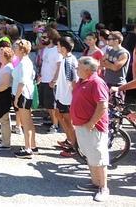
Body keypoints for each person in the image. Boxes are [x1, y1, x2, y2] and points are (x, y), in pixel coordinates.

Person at [71, 56, 110, 202]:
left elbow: (102, 105)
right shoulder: (83, 81)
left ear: (87, 69)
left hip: (93, 127)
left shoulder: (96, 82)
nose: (76, 69)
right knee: (91, 155)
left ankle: (103, 187)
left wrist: (92, 123)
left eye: (78, 67)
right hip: (83, 125)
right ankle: (95, 183)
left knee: (99, 158)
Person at [53, 36, 79, 157]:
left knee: (69, 123)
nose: (57, 47)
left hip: (68, 98)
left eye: (58, 46)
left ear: (63, 48)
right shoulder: (64, 59)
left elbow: (73, 81)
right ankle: (69, 139)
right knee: (58, 115)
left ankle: (74, 147)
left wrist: (75, 99)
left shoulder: (69, 61)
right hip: (61, 95)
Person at [12, 39, 37, 159]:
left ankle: (28, 149)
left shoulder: (23, 63)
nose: (13, 48)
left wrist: (16, 98)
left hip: (23, 95)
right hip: (26, 94)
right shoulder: (25, 61)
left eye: (16, 47)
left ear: (22, 50)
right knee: (28, 121)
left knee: (25, 123)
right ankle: (33, 146)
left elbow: (22, 82)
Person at [38, 28, 62, 134]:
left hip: (52, 81)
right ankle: (52, 121)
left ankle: (55, 125)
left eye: (44, 37)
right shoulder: (46, 49)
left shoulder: (57, 50)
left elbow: (59, 66)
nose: (42, 39)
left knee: (52, 106)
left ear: (51, 38)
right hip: (44, 79)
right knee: (47, 105)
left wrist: (55, 80)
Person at [101, 31, 130, 104]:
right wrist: (110, 64)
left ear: (116, 40)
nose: (107, 40)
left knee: (117, 109)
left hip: (118, 84)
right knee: (106, 106)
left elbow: (115, 68)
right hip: (107, 82)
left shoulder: (123, 53)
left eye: (109, 39)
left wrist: (107, 62)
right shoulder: (110, 50)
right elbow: (101, 63)